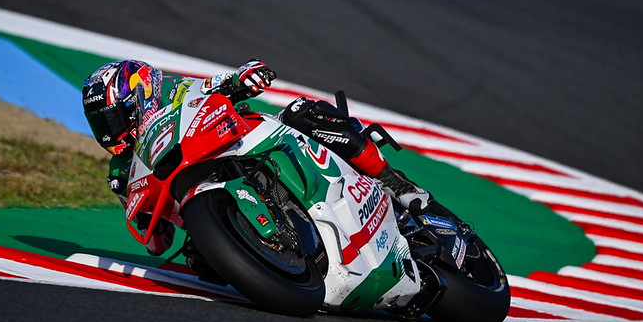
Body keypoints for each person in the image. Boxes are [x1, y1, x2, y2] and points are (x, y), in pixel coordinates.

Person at [82, 59, 433, 259]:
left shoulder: (178, 92)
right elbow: (158, 246)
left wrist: (245, 76)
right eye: (100, 123)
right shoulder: (122, 170)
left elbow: (219, 83)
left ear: (140, 95)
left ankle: (391, 181)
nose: (109, 131)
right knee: (202, 263)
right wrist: (146, 218)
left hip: (244, 144)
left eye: (112, 119)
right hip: (210, 215)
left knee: (302, 112)